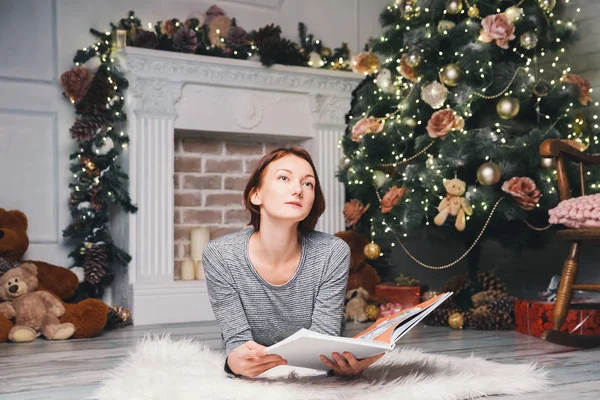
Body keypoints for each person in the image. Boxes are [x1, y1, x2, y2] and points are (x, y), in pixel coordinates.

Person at [203, 145, 384, 379]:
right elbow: (238, 343)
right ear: (255, 194)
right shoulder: (221, 255)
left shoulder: (333, 251)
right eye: (284, 178)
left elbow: (324, 339)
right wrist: (235, 362)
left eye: (307, 183)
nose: (298, 189)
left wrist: (341, 364)